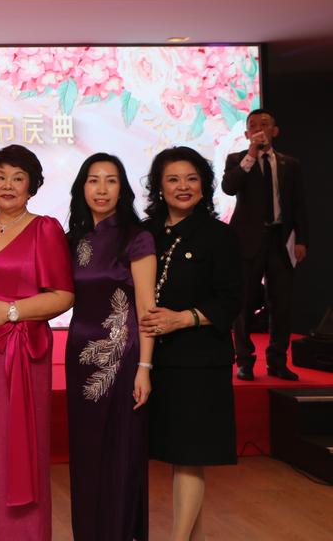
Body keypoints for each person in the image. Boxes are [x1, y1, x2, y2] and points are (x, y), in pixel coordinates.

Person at [0, 144, 74, 541]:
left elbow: (63, 295)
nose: (7, 185)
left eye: (17, 177)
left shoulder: (45, 229)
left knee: (18, 446)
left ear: (32, 185)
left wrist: (10, 311)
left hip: (22, 353)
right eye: (0, 177)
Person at [140, 146, 242, 541]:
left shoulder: (220, 235)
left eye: (192, 178)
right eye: (173, 179)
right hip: (155, 359)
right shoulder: (146, 233)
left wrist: (182, 318)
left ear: (204, 185)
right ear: (159, 187)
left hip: (200, 360)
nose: (183, 186)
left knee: (188, 458)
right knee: (179, 457)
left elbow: (232, 300)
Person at [64, 153, 156, 541]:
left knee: (122, 454)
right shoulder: (73, 240)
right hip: (79, 357)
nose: (101, 189)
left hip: (124, 357)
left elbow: (147, 308)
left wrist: (145, 368)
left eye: (111, 180)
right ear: (82, 188)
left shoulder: (136, 237)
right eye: (93, 180)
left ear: (122, 188)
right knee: (85, 454)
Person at [222, 109, 309, 381]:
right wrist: (251, 154)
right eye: (253, 125)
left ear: (275, 130)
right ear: (247, 133)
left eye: (264, 123)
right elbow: (229, 187)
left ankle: (278, 361)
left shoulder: (289, 164)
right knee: (244, 302)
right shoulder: (237, 159)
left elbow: (299, 205)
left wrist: (302, 239)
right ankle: (244, 361)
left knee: (281, 303)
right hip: (247, 240)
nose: (259, 128)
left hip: (280, 239)